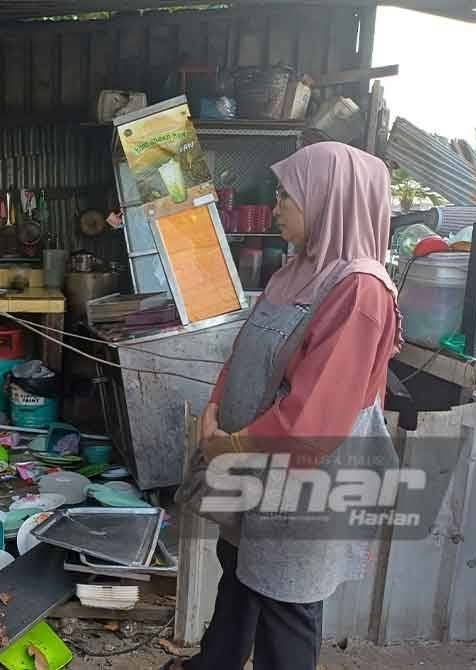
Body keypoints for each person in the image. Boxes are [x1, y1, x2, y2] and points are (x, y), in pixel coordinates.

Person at [168, 142, 402, 670]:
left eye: (286, 196)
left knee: (287, 598)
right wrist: (215, 408)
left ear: (329, 201)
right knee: (241, 568)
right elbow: (245, 351)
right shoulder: (293, 270)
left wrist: (231, 443)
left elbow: (317, 416)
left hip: (304, 474)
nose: (276, 207)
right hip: (251, 458)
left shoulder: (361, 289)